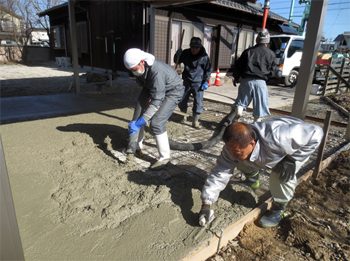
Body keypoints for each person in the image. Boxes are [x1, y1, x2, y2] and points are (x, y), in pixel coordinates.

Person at [199, 116, 323, 228]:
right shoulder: (233, 148)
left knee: (280, 175)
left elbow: (316, 132)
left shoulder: (279, 137)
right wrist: (206, 204)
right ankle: (253, 179)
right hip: (264, 150)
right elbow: (220, 173)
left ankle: (279, 207)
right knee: (237, 160)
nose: (231, 153)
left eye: (236, 150)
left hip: (293, 150)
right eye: (229, 149)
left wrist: (292, 159)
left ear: (252, 143)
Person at [123, 48, 185, 170]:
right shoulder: (140, 70)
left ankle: (165, 157)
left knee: (156, 123)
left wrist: (142, 121)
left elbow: (157, 101)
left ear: (142, 62)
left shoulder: (157, 71)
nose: (133, 72)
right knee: (138, 110)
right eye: (130, 70)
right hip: (153, 87)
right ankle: (136, 146)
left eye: (134, 69)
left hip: (173, 91)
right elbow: (150, 89)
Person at [230, 29, 277, 122]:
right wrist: (267, 78)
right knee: (260, 107)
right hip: (260, 82)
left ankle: (240, 109)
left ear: (257, 40)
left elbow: (238, 65)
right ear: (267, 41)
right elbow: (273, 70)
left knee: (242, 101)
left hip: (246, 80)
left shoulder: (248, 51)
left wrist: (236, 77)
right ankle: (256, 123)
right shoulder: (271, 54)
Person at [174, 37, 212, 128]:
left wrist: (206, 81)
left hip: (198, 83)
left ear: (200, 47)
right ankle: (183, 116)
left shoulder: (204, 57)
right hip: (187, 81)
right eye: (193, 47)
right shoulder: (186, 53)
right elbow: (177, 61)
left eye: (197, 48)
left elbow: (208, 70)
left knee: (198, 102)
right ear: (190, 47)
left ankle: (195, 121)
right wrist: (177, 55)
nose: (194, 50)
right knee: (182, 100)